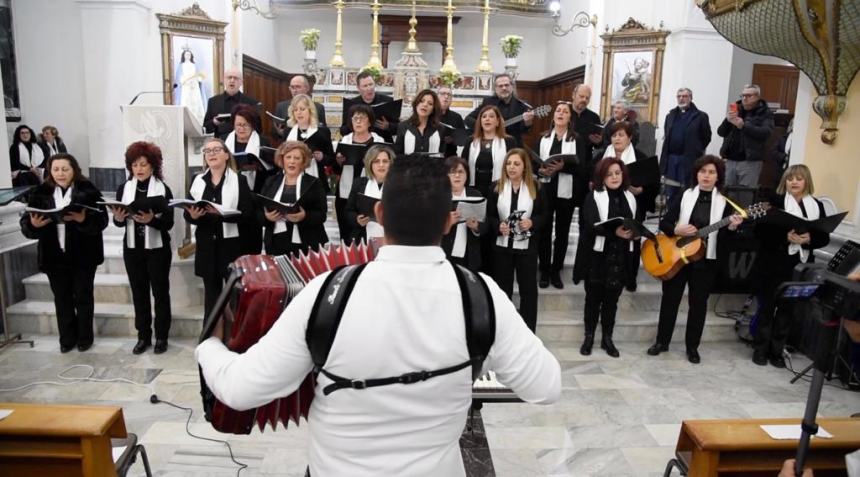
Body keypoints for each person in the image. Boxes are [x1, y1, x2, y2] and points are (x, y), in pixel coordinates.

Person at [196, 155, 561, 477]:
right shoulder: (482, 295)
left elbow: (240, 390)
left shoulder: (325, 290)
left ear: (380, 214)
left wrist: (208, 345)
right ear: (449, 221)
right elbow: (546, 387)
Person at [647, 155, 744, 364]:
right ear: (696, 174)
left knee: (698, 305)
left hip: (705, 261)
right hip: (678, 257)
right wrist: (676, 229)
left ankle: (692, 347)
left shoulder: (725, 204)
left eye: (711, 172)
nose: (706, 176)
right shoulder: (685, 195)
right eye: (703, 171)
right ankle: (662, 342)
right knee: (670, 301)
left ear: (718, 177)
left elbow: (728, 240)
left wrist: (733, 227)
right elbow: (664, 224)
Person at [20, 153, 108, 353]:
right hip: (54, 256)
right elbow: (26, 226)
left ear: (74, 170)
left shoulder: (89, 191)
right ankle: (67, 339)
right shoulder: (40, 192)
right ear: (50, 171)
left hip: (83, 256)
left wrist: (82, 220)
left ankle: (85, 338)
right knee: (62, 299)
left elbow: (101, 222)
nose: (60, 173)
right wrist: (33, 225)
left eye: (65, 169)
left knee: (83, 297)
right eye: (56, 169)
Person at [752, 165, 829, 368]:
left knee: (788, 310)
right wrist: (785, 236)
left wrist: (809, 238)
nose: (794, 182)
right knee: (767, 307)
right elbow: (759, 231)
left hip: (798, 265)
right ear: (784, 181)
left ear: (806, 182)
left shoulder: (816, 206)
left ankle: (777, 351)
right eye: (790, 179)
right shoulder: (774, 202)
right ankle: (760, 349)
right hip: (773, 262)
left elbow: (824, 237)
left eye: (799, 179)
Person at [108, 142, 174, 355]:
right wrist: (118, 219)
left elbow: (169, 223)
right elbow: (120, 220)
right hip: (133, 249)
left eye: (143, 164)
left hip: (158, 249)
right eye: (134, 164)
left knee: (160, 293)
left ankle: (161, 336)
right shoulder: (124, 188)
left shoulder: (164, 189)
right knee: (139, 293)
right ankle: (143, 336)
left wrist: (152, 219)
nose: (139, 169)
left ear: (153, 165)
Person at [572, 158, 639, 358]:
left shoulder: (630, 197)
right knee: (592, 300)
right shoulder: (593, 196)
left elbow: (633, 223)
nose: (614, 177)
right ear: (602, 177)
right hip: (597, 256)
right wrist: (614, 233)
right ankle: (589, 336)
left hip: (620, 256)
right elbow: (591, 225)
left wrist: (635, 232)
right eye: (609, 174)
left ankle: (607, 338)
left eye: (617, 173)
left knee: (612, 301)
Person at [185, 137, 254, 318]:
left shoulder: (239, 181)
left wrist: (223, 215)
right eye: (208, 151)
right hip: (207, 244)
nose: (212, 154)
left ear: (226, 155)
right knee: (211, 296)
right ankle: (210, 336)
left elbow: (248, 214)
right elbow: (187, 211)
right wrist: (192, 216)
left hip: (231, 245)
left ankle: (233, 338)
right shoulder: (197, 180)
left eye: (216, 150)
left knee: (235, 294)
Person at [487, 148, 547, 332]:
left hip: (526, 248)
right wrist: (498, 226)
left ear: (525, 167)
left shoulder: (536, 187)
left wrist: (532, 222)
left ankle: (529, 331)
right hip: (502, 248)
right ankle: (503, 330)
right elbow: (489, 216)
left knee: (528, 291)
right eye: (508, 163)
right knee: (502, 291)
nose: (511, 167)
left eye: (516, 163)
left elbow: (544, 215)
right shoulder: (495, 187)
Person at [462, 105, 517, 272]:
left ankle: (494, 268)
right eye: (483, 116)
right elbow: (463, 165)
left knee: (494, 225)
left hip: (497, 190)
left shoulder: (508, 141)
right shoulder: (471, 141)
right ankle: (476, 267)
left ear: (498, 121)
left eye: (491, 116)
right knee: (475, 227)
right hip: (475, 189)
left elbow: (514, 165)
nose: (487, 119)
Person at [534, 101, 577, 289]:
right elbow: (535, 163)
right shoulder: (543, 138)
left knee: (562, 232)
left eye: (564, 111)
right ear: (554, 116)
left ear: (569, 117)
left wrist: (563, 166)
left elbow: (582, 166)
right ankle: (544, 269)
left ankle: (556, 270)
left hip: (565, 192)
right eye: (558, 111)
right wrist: (540, 171)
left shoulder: (576, 139)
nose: (560, 113)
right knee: (544, 231)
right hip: (545, 190)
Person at [257, 141, 328, 256]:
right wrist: (267, 217)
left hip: (307, 241)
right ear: (282, 159)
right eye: (288, 157)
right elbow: (259, 211)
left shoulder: (314, 183)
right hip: (276, 241)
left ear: (303, 161)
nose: (292, 161)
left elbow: (321, 215)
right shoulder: (271, 181)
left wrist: (304, 216)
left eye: (297, 158)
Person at [335, 105, 385, 244]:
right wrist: (338, 161)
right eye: (355, 118)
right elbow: (335, 168)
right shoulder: (345, 140)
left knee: (367, 225)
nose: (358, 121)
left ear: (369, 122)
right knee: (346, 225)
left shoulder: (378, 141)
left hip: (369, 189)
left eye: (362, 118)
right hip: (346, 187)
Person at [225, 104, 268, 255]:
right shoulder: (225, 142)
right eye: (238, 125)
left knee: (251, 240)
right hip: (230, 195)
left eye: (245, 125)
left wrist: (258, 167)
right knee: (233, 242)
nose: (241, 128)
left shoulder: (263, 142)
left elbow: (270, 169)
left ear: (253, 125)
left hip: (254, 195)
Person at [599, 121, 658, 222]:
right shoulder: (601, 157)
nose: (617, 138)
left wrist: (640, 190)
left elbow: (654, 183)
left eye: (621, 135)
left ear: (629, 138)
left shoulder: (640, 157)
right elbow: (591, 176)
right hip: (605, 204)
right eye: (614, 135)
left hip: (634, 204)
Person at [718, 84, 774, 188]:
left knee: (745, 195)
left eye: (749, 96)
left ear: (757, 97)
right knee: (727, 193)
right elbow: (721, 132)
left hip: (750, 161)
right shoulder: (736, 110)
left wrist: (744, 126)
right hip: (730, 160)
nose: (745, 98)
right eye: (743, 95)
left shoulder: (765, 113)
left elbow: (766, 133)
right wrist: (727, 120)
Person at [660, 88, 712, 200]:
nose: (681, 99)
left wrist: (696, 150)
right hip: (672, 159)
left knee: (687, 190)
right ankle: (671, 215)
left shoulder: (700, 116)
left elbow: (706, 137)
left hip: (689, 159)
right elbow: (667, 135)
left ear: (691, 98)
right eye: (679, 96)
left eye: (685, 96)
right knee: (671, 191)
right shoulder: (670, 116)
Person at [441, 156, 486, 271]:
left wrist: (476, 227)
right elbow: (429, 229)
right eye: (452, 172)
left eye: (461, 172)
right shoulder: (438, 196)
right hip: (445, 254)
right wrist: (448, 223)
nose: (457, 176)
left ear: (467, 175)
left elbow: (486, 224)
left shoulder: (475, 195)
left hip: (470, 255)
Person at [283, 93, 335, 192]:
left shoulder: (322, 132)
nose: (299, 113)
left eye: (302, 109)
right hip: (291, 179)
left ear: (310, 110)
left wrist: (322, 157)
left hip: (316, 177)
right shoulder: (288, 131)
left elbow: (331, 159)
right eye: (295, 110)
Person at [464, 73, 534, 147]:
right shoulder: (488, 102)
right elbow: (468, 119)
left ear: (512, 87)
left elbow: (524, 131)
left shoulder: (521, 105)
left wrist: (528, 122)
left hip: (512, 146)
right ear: (496, 89)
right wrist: (485, 126)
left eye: (506, 85)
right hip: (490, 144)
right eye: (500, 86)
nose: (504, 88)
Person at [344, 144, 394, 244]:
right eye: (376, 161)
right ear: (370, 164)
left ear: (391, 163)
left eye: (385, 161)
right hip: (363, 237)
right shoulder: (359, 183)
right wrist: (357, 219)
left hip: (392, 239)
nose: (381, 165)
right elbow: (348, 211)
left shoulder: (399, 185)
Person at [339, 71, 399, 142]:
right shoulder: (352, 104)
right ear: (358, 88)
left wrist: (388, 126)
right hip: (358, 142)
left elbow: (398, 128)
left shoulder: (388, 101)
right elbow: (343, 131)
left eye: (371, 84)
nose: (369, 88)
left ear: (375, 85)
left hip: (383, 143)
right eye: (365, 86)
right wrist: (355, 124)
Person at [570, 84, 604, 206]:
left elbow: (600, 145)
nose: (584, 100)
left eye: (587, 98)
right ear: (573, 95)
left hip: (585, 164)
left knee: (583, 203)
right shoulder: (564, 112)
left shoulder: (594, 117)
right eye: (581, 96)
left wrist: (599, 142)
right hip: (566, 164)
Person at [203, 68, 259, 139]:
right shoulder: (213, 101)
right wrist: (214, 122)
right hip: (222, 143)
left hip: (244, 142)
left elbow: (257, 128)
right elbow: (206, 127)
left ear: (241, 82)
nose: (232, 80)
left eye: (235, 78)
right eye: (229, 77)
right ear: (224, 80)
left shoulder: (251, 102)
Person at [272, 74, 327, 139]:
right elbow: (274, 133)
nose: (294, 90)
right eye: (292, 87)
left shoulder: (318, 107)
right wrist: (279, 132)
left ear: (307, 88)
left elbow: (323, 131)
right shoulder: (281, 106)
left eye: (298, 87)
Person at [394, 89, 444, 156]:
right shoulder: (403, 126)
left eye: (430, 103)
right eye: (422, 101)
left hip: (433, 165)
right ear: (416, 104)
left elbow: (443, 154)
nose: (425, 105)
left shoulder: (440, 128)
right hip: (408, 165)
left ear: (433, 109)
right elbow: (398, 154)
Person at [174, 48, 207, 124]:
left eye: (189, 54)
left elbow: (199, 76)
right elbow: (179, 78)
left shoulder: (194, 65)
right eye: (186, 54)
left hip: (194, 87)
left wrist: (198, 78)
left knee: (196, 104)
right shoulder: (181, 66)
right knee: (186, 103)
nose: (188, 56)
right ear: (183, 56)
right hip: (186, 88)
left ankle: (197, 121)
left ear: (191, 56)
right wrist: (186, 80)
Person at [437, 85, 466, 157]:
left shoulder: (457, 117)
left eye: (449, 95)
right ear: (436, 97)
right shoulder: (430, 115)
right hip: (431, 156)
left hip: (450, 157)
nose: (446, 97)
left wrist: (453, 139)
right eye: (443, 93)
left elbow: (463, 140)